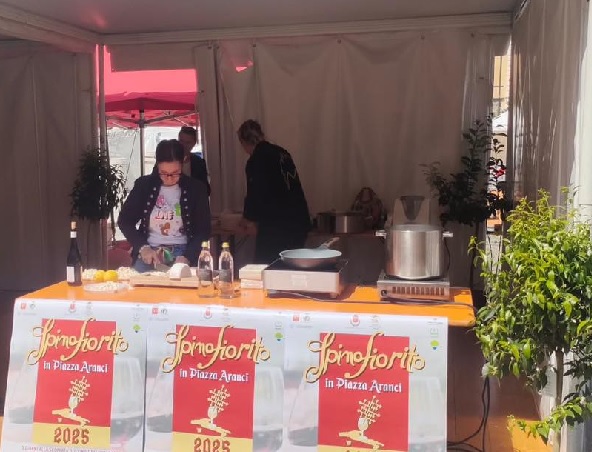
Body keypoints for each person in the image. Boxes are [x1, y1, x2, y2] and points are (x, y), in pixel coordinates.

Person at [118, 139, 211, 272]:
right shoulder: (144, 185)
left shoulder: (196, 189)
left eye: (175, 173)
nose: (169, 178)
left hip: (183, 252)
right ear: (157, 164)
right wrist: (143, 247)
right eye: (163, 172)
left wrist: (188, 256)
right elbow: (125, 221)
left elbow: (203, 230)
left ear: (184, 161)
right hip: (150, 252)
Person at [237, 119, 311, 264]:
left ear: (243, 142)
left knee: (268, 267)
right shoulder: (282, 153)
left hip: (277, 225)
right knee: (292, 266)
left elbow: (255, 193)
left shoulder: (257, 159)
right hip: (299, 220)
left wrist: (247, 219)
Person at [177, 126, 211, 195]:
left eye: (188, 142)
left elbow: (206, 190)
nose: (183, 145)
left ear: (194, 143)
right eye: (181, 141)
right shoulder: (167, 159)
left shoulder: (199, 163)